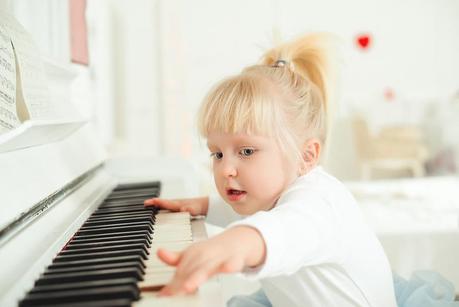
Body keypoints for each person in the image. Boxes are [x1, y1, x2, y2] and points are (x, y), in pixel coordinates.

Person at [144, 33, 398, 307]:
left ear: (306, 155)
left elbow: (284, 230)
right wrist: (204, 205)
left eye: (246, 152)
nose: (226, 169)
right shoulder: (267, 195)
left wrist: (232, 244)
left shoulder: (320, 202)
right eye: (217, 153)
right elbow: (248, 211)